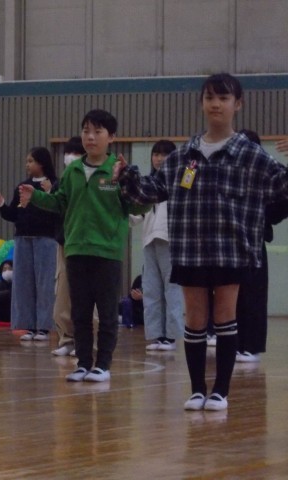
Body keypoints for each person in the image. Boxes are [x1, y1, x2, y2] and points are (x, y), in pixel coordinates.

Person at [115, 73, 288, 411]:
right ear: (201, 103)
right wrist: (127, 177)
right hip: (190, 249)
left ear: (238, 104)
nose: (215, 104)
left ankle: (220, 391)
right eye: (209, 97)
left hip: (231, 250)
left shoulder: (250, 155)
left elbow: (283, 185)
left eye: (223, 98)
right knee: (194, 319)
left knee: (225, 317)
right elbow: (150, 191)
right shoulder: (184, 156)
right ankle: (197, 390)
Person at [19, 109, 151, 383]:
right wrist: (36, 197)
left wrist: (131, 181)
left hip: (107, 252)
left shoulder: (118, 170)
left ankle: (103, 365)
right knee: (79, 312)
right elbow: (60, 202)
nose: (90, 137)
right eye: (86, 131)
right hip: (76, 249)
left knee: (106, 312)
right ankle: (83, 363)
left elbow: (139, 206)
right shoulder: (73, 171)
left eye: (97, 131)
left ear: (111, 137)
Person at [0, 147, 60, 342]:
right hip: (22, 239)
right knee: (23, 283)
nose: (27, 165)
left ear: (42, 163)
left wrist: (50, 192)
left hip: (46, 239)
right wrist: (1, 205)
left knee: (45, 283)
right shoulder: (22, 186)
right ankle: (27, 325)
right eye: (27, 161)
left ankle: (44, 327)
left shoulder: (55, 184)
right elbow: (14, 215)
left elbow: (59, 210)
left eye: (31, 161)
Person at [234, 130, 288, 362]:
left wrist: (266, 218)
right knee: (229, 296)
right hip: (227, 244)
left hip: (254, 242)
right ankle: (233, 342)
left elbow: (282, 201)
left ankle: (251, 346)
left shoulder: (267, 172)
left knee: (253, 295)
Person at [130, 140, 184, 351]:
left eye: (164, 154)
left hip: (170, 239)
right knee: (151, 289)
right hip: (149, 240)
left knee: (172, 289)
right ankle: (156, 335)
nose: (159, 159)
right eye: (156, 154)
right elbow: (138, 213)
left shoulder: (180, 181)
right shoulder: (148, 182)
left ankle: (171, 336)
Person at [52, 136, 85, 356]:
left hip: (86, 245)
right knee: (63, 293)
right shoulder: (62, 181)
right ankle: (66, 338)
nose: (70, 157)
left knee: (85, 296)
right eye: (68, 152)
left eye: (76, 152)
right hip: (65, 243)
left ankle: (86, 342)